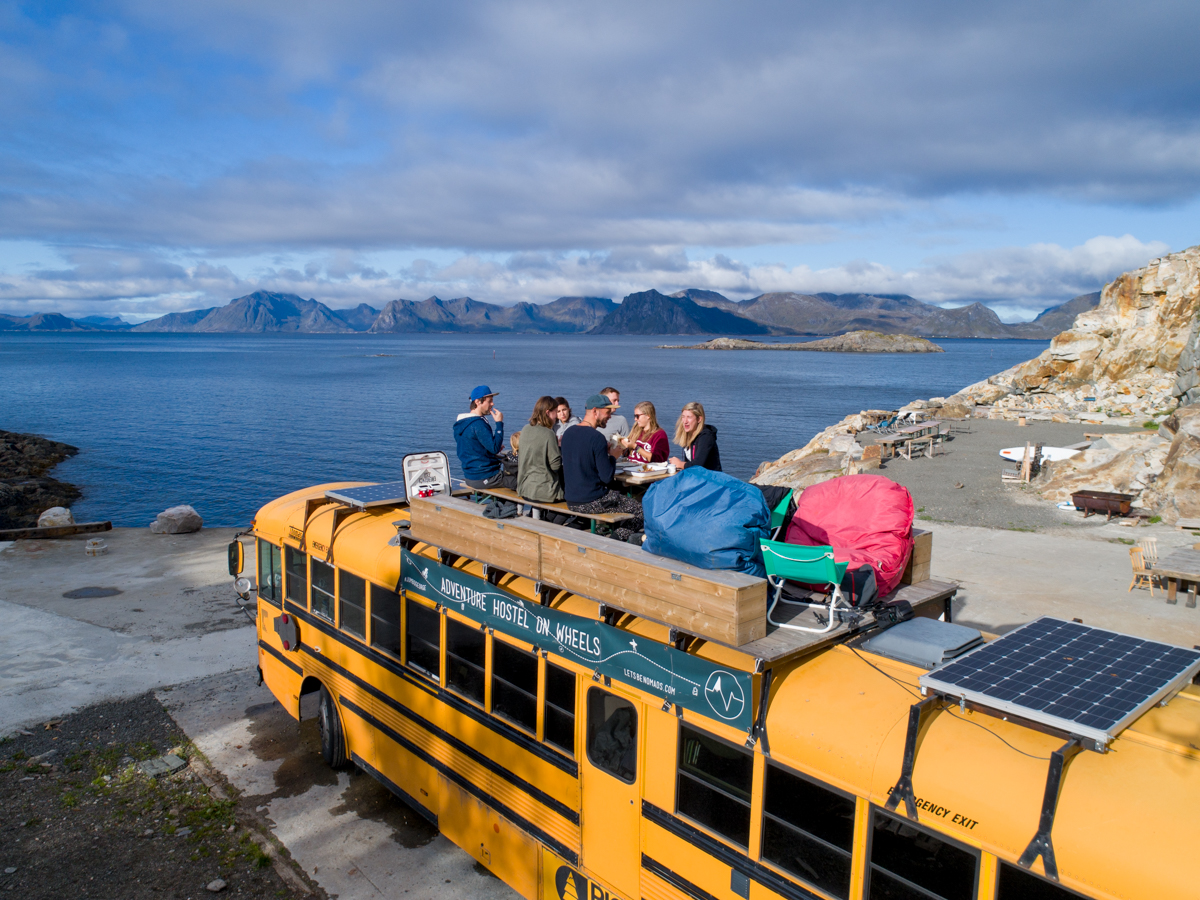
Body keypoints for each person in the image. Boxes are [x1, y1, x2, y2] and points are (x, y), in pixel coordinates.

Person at [561, 394, 644, 541]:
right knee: (639, 510)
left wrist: (602, 454)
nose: (610, 416)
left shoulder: (568, 433)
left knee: (619, 498)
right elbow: (606, 477)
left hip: (571, 499)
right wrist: (612, 456)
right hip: (591, 500)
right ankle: (615, 540)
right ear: (595, 411)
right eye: (607, 411)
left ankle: (608, 534)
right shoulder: (596, 437)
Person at [453, 385, 518, 490]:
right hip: (485, 477)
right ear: (478, 402)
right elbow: (495, 448)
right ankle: (506, 506)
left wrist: (488, 450)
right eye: (490, 401)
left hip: (470, 476)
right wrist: (499, 423)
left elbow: (473, 448)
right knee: (521, 483)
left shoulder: (461, 424)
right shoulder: (478, 424)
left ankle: (499, 506)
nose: (492, 404)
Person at [517, 396, 564, 503]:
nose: (556, 417)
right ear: (548, 413)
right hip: (544, 491)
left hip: (525, 488)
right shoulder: (548, 434)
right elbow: (555, 466)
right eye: (555, 412)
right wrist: (559, 448)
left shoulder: (525, 429)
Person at [669, 401, 722, 472]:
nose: (685, 421)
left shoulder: (706, 437)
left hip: (710, 479)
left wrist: (680, 464)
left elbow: (698, 465)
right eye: (683, 417)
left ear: (699, 419)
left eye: (689, 417)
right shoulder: (689, 435)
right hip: (696, 477)